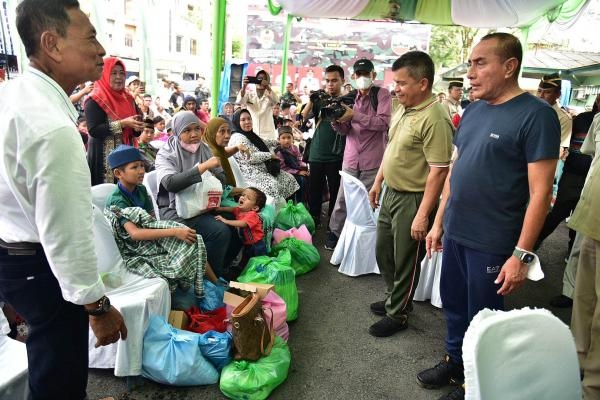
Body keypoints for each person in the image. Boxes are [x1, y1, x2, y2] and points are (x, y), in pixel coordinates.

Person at [418, 33, 560, 400]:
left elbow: (541, 194)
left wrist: (521, 255)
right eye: (470, 63)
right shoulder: (475, 109)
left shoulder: (537, 115)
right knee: (452, 304)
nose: (470, 73)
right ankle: (454, 362)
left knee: (484, 317)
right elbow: (456, 168)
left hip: (493, 241)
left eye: (481, 63)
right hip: (456, 232)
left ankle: (476, 383)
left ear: (509, 67)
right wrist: (438, 222)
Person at [0, 1, 127, 398]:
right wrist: (98, 307)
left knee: (49, 362)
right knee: (60, 376)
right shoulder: (51, 126)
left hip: (15, 254)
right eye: (90, 37)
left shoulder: (16, 94)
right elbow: (66, 234)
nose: (101, 50)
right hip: (38, 264)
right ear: (52, 44)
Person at [367, 52, 453, 338]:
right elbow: (392, 150)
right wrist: (378, 181)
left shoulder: (436, 117)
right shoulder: (403, 107)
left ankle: (398, 313)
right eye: (396, 82)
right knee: (384, 251)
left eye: (402, 83)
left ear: (423, 83)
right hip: (391, 190)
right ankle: (395, 298)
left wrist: (423, 214)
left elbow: (439, 171)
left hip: (414, 198)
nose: (396, 89)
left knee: (405, 259)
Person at [104, 145, 218, 297]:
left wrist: (172, 232)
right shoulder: (117, 200)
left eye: (142, 166)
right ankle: (202, 288)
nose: (141, 171)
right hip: (134, 246)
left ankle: (213, 284)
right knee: (188, 241)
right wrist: (175, 232)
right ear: (118, 173)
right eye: (134, 167)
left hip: (147, 234)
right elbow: (134, 234)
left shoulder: (141, 190)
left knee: (193, 238)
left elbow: (151, 220)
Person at [154, 111, 242, 279]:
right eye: (187, 130)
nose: (194, 134)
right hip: (176, 210)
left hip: (203, 204)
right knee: (220, 231)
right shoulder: (166, 153)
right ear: (177, 132)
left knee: (238, 223)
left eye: (197, 129)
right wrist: (202, 168)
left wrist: (215, 176)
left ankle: (220, 268)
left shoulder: (203, 148)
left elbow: (221, 178)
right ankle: (210, 277)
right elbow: (170, 183)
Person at [326, 58, 392, 250]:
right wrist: (336, 120)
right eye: (359, 74)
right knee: (342, 200)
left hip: (373, 160)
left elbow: (383, 123)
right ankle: (335, 233)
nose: (362, 78)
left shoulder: (382, 94)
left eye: (366, 74)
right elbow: (346, 131)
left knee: (370, 202)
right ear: (353, 76)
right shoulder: (350, 97)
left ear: (373, 75)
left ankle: (368, 242)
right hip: (351, 158)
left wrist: (355, 115)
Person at [542, 95, 599, 308]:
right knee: (574, 239)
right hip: (582, 186)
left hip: (587, 186)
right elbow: (584, 150)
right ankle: (569, 291)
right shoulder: (591, 120)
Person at [568, 112, 600, 400]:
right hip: (591, 221)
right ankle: (571, 371)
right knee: (583, 304)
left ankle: (591, 389)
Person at [85, 56, 145, 185]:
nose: (119, 77)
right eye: (113, 73)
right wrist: (123, 124)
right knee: (106, 196)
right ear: (104, 74)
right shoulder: (94, 99)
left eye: (122, 73)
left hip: (127, 158)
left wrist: (137, 128)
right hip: (104, 158)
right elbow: (94, 130)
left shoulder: (128, 98)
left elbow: (135, 132)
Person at [301, 64, 345, 228]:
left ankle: (332, 225)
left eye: (334, 80)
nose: (331, 84)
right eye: (328, 81)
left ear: (342, 81)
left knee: (336, 192)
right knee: (315, 191)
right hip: (317, 154)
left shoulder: (347, 101)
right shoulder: (319, 100)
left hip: (337, 155)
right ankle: (313, 222)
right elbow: (304, 117)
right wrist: (311, 101)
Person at [229, 109, 300, 199]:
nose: (247, 122)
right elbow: (250, 157)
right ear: (237, 122)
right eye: (243, 120)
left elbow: (262, 142)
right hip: (251, 175)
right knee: (272, 186)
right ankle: (276, 211)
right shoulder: (238, 137)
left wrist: (278, 142)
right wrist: (270, 155)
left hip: (262, 170)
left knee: (289, 178)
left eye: (249, 119)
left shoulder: (249, 134)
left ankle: (289, 209)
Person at [537, 72, 573, 197]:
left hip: (546, 166)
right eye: (539, 91)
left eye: (547, 92)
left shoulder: (563, 118)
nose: (541, 95)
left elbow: (560, 150)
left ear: (558, 94)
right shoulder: (531, 112)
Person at [214, 187, 268, 266]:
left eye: (248, 198)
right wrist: (219, 209)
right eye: (243, 195)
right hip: (247, 244)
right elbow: (232, 209)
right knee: (248, 262)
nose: (243, 197)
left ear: (255, 208)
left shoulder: (252, 215)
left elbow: (243, 223)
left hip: (257, 246)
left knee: (260, 263)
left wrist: (225, 221)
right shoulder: (240, 210)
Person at [203, 116, 249, 187]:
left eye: (228, 131)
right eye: (222, 131)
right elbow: (223, 188)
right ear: (212, 133)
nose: (227, 136)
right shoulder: (212, 155)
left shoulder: (216, 148)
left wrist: (237, 147)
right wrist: (243, 191)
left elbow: (224, 153)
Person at [237, 70, 279, 140]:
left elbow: (276, 101)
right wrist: (244, 86)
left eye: (264, 79)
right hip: (253, 131)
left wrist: (267, 87)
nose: (261, 81)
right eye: (259, 78)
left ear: (267, 81)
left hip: (267, 134)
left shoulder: (270, 94)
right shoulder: (249, 94)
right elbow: (240, 101)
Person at [275, 126, 309, 204]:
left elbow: (299, 160)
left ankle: (305, 202)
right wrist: (298, 172)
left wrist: (305, 168)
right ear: (278, 139)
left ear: (292, 138)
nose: (286, 140)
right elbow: (283, 168)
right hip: (285, 173)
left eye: (289, 137)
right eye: (283, 138)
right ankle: (299, 203)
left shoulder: (295, 148)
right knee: (301, 180)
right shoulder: (279, 151)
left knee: (308, 176)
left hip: (296, 169)